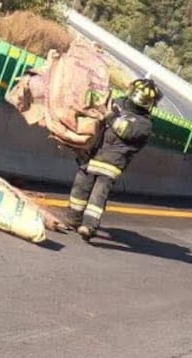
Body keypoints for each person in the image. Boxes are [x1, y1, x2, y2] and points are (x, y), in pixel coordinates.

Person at [63, 77, 161, 240]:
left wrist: (109, 115)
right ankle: (73, 219)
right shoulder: (118, 103)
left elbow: (124, 130)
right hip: (94, 155)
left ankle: (89, 226)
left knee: (98, 194)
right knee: (79, 188)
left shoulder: (144, 124)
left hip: (111, 163)